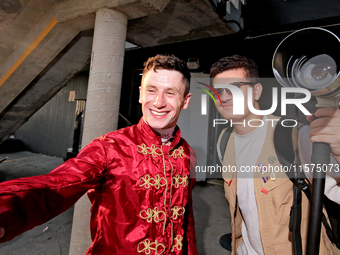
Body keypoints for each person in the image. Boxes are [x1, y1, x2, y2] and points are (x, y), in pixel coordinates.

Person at [0, 54, 198, 255]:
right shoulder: (109, 147)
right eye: (151, 90)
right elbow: (58, 185)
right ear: (140, 94)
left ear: (185, 100)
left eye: (171, 93)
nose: (158, 102)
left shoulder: (187, 152)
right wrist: (6, 208)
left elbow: (185, 218)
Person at [210, 55, 340, 254]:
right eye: (218, 91)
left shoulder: (294, 136)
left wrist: (338, 151)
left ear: (257, 91)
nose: (225, 97)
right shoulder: (224, 141)